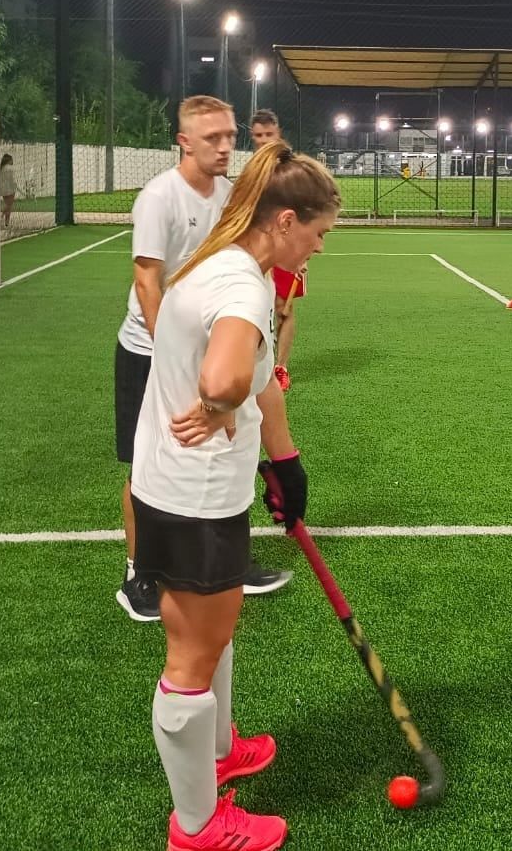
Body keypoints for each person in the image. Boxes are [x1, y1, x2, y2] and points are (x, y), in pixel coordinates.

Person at [133, 139, 340, 851]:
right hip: (193, 496)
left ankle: (220, 752)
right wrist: (220, 405)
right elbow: (226, 376)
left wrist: (283, 463)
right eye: (316, 233)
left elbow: (252, 384)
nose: (317, 247)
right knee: (191, 653)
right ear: (284, 220)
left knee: (213, 633)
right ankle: (196, 828)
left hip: (182, 486)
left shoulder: (223, 264)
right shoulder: (244, 287)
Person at [116, 96, 292, 624]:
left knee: (219, 445)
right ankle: (138, 573)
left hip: (206, 344)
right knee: (145, 458)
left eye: (230, 135)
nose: (225, 145)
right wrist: (172, 352)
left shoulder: (231, 197)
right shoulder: (159, 198)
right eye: (212, 137)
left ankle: (226, 559)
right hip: (151, 350)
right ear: (183, 141)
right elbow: (147, 281)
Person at [248, 110, 304, 392]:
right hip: (258, 248)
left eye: (268, 135)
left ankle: (280, 367)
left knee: (284, 308)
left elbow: (304, 213)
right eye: (258, 135)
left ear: (278, 133)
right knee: (257, 304)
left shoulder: (291, 169)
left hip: (286, 247)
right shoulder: (252, 170)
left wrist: (301, 253)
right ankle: (257, 363)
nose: (263, 140)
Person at [0, 152, 17, 230]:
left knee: (7, 204)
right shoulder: (10, 168)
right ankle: (4, 220)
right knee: (9, 206)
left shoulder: (1, 167)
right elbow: (11, 179)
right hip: (10, 188)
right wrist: (14, 185)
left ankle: (5, 221)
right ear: (9, 160)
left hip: (2, 188)